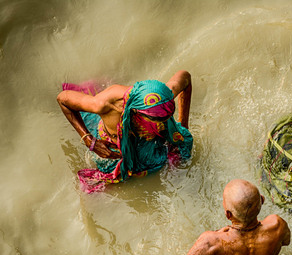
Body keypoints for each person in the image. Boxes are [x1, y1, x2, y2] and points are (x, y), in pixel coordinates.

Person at [57, 70, 193, 193]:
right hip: (114, 149)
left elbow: (185, 76)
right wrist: (89, 141)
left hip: (148, 144)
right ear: (135, 112)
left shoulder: (163, 96)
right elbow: (63, 99)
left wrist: (183, 125)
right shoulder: (105, 104)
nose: (162, 125)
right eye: (155, 122)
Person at [162, 179, 291, 255]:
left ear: (228, 214)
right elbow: (286, 241)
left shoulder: (211, 242)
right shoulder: (277, 225)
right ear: (262, 200)